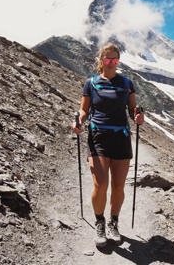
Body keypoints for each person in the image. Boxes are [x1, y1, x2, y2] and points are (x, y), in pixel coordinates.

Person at [72, 42, 145, 247]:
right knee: (101, 184)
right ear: (101, 61)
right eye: (107, 59)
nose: (111, 63)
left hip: (121, 137)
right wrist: (78, 120)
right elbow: (84, 110)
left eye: (115, 59)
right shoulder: (92, 83)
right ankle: (100, 222)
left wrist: (137, 117)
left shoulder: (127, 83)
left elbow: (132, 110)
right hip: (98, 137)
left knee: (119, 186)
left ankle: (114, 222)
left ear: (118, 61)